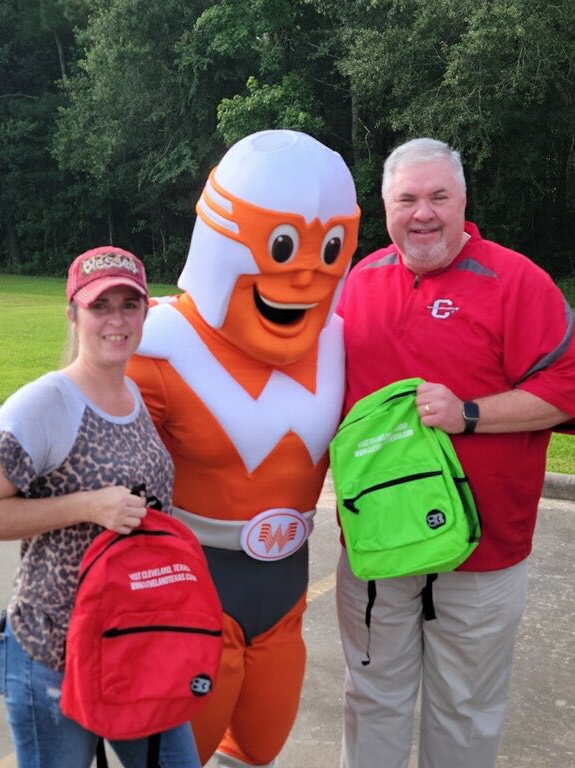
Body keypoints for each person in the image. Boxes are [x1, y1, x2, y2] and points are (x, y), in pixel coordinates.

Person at [333, 138, 575, 768]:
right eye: (407, 199)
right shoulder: (357, 285)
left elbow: (570, 391)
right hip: (378, 549)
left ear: (462, 202)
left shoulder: (515, 281)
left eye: (438, 197)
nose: (422, 213)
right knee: (371, 701)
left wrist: (469, 414)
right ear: (385, 207)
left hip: (484, 554)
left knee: (466, 712)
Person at [126, 129, 361, 767]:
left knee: (260, 740)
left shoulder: (344, 340)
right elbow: (94, 467)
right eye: (282, 248)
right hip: (189, 585)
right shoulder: (159, 344)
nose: (302, 276)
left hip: (284, 585)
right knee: (174, 747)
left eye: (327, 251)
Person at [0, 246, 201, 768]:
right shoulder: (46, 403)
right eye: (99, 306)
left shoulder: (133, 395)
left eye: (128, 304)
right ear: (73, 314)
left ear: (146, 312)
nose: (116, 320)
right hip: (54, 653)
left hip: (136, 647)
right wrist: (89, 505)